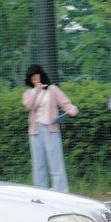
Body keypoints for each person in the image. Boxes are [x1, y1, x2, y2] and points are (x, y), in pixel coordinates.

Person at [22, 64, 78, 192]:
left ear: (41, 75)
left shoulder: (52, 89)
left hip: (50, 129)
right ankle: (40, 192)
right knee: (39, 164)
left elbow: (65, 102)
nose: (35, 79)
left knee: (56, 162)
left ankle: (61, 191)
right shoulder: (28, 93)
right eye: (32, 77)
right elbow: (30, 106)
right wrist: (36, 90)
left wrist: (71, 110)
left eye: (37, 76)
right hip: (35, 132)